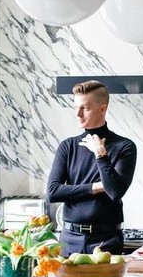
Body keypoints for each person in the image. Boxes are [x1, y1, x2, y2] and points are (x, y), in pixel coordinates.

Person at [47, 80, 137, 256]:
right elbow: (52, 192)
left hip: (107, 240)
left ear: (102, 109)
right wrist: (96, 187)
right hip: (69, 240)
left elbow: (115, 191)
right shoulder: (67, 146)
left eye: (85, 108)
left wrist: (101, 155)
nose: (78, 114)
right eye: (76, 107)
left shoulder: (124, 147)